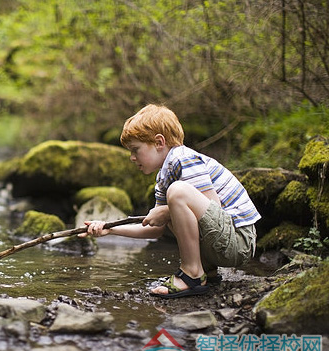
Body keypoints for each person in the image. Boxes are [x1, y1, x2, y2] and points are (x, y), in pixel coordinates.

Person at [80, 104, 261, 298]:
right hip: (220, 243)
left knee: (177, 194)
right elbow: (155, 228)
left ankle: (192, 274)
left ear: (159, 142)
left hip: (239, 242)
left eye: (135, 150)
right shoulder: (163, 178)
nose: (132, 158)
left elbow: (213, 208)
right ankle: (206, 272)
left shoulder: (183, 159)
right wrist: (110, 229)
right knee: (173, 202)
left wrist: (167, 211)